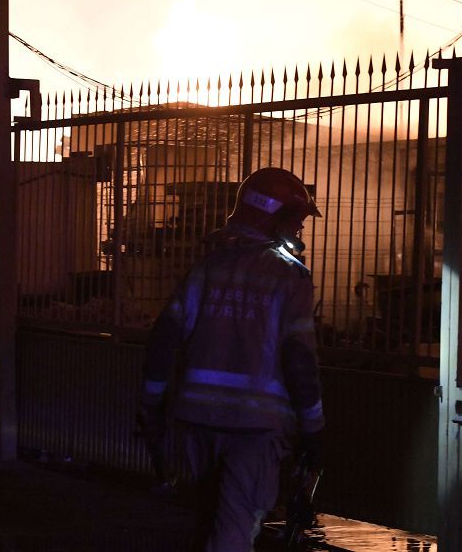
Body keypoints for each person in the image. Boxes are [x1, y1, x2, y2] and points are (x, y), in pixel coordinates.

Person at [138, 166, 326, 552]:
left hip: (195, 423)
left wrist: (151, 404)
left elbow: (163, 339)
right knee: (233, 533)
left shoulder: (208, 267)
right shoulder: (290, 277)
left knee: (202, 523)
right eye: (295, 222)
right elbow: (299, 360)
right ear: (272, 217)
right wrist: (314, 427)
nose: (299, 232)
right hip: (255, 430)